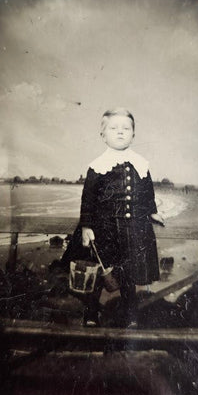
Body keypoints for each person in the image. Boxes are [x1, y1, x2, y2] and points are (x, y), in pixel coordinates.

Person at [76, 107, 164, 328]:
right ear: (103, 135)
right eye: (113, 128)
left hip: (132, 228)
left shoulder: (140, 164)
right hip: (104, 228)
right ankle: (91, 314)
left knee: (129, 274)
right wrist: (87, 226)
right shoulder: (96, 166)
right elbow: (88, 199)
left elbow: (146, 191)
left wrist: (152, 211)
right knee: (99, 272)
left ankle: (131, 315)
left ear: (133, 135)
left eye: (126, 128)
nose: (120, 132)